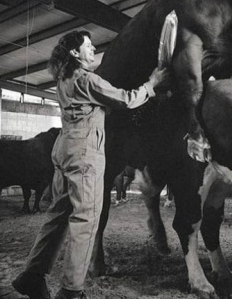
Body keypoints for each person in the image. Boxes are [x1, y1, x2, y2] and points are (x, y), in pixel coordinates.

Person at [12, 30, 169, 299]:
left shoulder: (64, 78)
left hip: (64, 150)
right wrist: (151, 85)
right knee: (86, 219)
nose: (93, 48)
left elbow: (93, 106)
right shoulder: (87, 79)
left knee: (58, 215)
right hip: (85, 154)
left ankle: (32, 275)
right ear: (75, 53)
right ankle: (72, 291)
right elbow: (126, 99)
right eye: (88, 45)